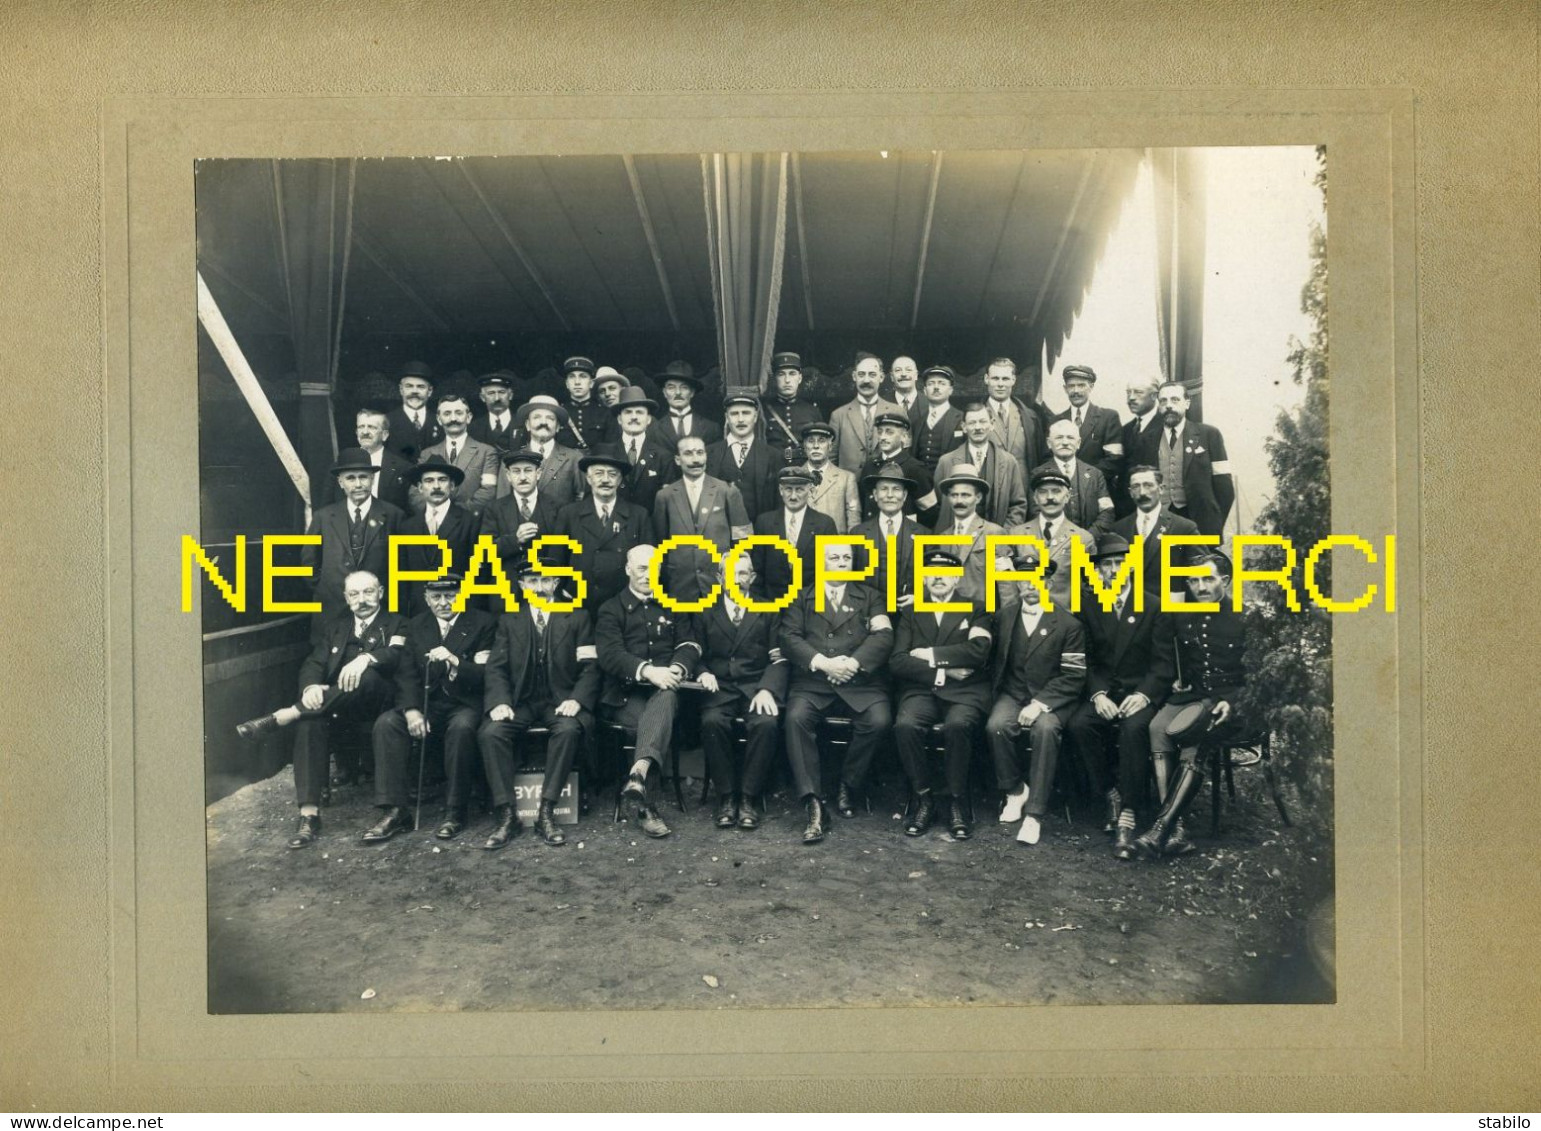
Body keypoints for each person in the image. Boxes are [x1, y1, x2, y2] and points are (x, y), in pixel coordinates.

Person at [235, 571, 406, 849]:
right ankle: (309, 815)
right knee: (309, 722)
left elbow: (397, 655)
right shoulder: (336, 627)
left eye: (368, 592)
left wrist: (366, 658)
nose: (362, 600)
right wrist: (312, 687)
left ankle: (288, 713)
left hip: (379, 705)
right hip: (338, 708)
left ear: (381, 593)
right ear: (346, 598)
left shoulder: (398, 623)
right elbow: (314, 662)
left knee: (369, 677)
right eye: (354, 594)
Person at [1064, 534, 1176, 860]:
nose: (1114, 570)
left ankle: (1128, 810)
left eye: (1119, 563)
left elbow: (1163, 663)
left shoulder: (1153, 604)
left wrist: (1144, 695)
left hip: (1140, 694)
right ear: (1097, 571)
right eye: (1107, 565)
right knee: (1079, 725)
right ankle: (1109, 792)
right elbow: (1085, 658)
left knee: (1133, 730)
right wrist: (1097, 694)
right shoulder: (1089, 605)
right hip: (1106, 693)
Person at [478, 561, 601, 849]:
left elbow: (591, 667)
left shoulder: (578, 617)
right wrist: (499, 702)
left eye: (545, 581)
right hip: (521, 701)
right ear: (521, 585)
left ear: (556, 582)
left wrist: (576, 699)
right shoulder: (510, 620)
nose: (539, 588)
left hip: (560, 701)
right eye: (532, 581)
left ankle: (546, 811)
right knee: (490, 733)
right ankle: (507, 815)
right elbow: (495, 668)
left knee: (569, 730)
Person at [364, 574, 495, 843]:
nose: (444, 603)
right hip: (427, 703)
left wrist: (455, 661)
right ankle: (395, 810)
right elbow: (406, 674)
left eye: (451, 596)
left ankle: (455, 810)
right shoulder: (415, 626)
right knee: (388, 724)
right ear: (426, 599)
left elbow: (487, 674)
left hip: (464, 703)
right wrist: (412, 710)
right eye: (436, 597)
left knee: (462, 728)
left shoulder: (483, 623)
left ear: (464, 595)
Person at [1135, 549, 1248, 858]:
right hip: (1193, 696)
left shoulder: (1245, 616)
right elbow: (1169, 657)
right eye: (1194, 581)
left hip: (1233, 704)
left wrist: (1231, 701)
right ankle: (1179, 828)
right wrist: (1174, 677)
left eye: (1208, 580)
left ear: (1225, 580)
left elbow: (1258, 674)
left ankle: (1162, 829)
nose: (1200, 587)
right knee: (1157, 727)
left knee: (1193, 740)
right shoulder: (1180, 614)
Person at [779, 541, 895, 842]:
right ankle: (813, 802)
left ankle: (849, 784)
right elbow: (788, 637)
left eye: (846, 557)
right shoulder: (802, 597)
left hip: (859, 680)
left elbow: (884, 636)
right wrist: (823, 663)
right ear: (821, 562)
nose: (842, 562)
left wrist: (854, 663)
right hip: (815, 681)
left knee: (879, 719)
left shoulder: (870, 596)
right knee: (796, 719)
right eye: (834, 557)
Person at [596, 545, 703, 839]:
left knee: (665, 700)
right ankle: (646, 803)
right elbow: (610, 654)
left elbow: (689, 644)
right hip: (624, 695)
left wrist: (678, 668)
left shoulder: (673, 604)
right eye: (641, 568)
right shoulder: (610, 609)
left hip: (665, 694)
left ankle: (639, 780)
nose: (647, 574)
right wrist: (648, 670)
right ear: (628, 570)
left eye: (653, 568)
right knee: (652, 721)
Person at [984, 545, 1087, 846]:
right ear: (1016, 582)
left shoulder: (1069, 624)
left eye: (1038, 580)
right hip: (1014, 692)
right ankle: (1015, 791)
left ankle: (1035, 814)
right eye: (1024, 579)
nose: (1031, 586)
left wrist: (1040, 704)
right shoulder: (1004, 617)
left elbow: (1073, 676)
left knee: (1044, 730)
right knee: (997, 726)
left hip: (1053, 699)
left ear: (1049, 583)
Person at [890, 550, 994, 840]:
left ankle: (956, 800)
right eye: (931, 572)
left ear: (957, 577)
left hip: (966, 692)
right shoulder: (911, 612)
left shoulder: (976, 608)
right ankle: (924, 798)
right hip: (923, 689)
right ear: (923, 577)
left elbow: (978, 652)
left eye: (945, 573)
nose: (938, 577)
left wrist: (929, 653)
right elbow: (898, 661)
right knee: (906, 726)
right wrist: (944, 670)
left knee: (958, 726)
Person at [695, 555, 790, 831]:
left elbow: (780, 658)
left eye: (744, 574)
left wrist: (767, 689)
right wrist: (702, 671)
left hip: (755, 686)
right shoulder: (705, 609)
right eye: (732, 574)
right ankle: (726, 797)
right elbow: (694, 651)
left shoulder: (768, 609)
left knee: (766, 723)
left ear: (753, 578)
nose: (738, 580)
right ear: (719, 577)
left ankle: (748, 797)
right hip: (719, 688)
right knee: (712, 722)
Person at [300, 447, 405, 629]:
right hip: (333, 611)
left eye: (363, 477)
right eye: (350, 478)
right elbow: (309, 562)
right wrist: (329, 589)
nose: (358, 484)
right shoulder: (323, 517)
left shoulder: (394, 515)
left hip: (380, 611)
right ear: (340, 482)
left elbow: (402, 567)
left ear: (372, 479)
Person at [652, 434, 752, 602]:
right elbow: (660, 542)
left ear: (706, 455)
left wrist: (735, 571)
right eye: (688, 453)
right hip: (681, 582)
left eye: (700, 452)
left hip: (719, 580)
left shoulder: (727, 491)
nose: (696, 459)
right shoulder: (665, 496)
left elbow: (743, 539)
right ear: (678, 459)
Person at [554, 444, 654, 610]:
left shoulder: (638, 515)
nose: (606, 480)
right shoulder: (569, 514)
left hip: (624, 607)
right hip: (579, 605)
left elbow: (650, 564)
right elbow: (557, 561)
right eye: (599, 473)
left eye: (612, 474)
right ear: (588, 479)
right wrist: (563, 595)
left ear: (620, 480)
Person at [396, 456, 483, 616]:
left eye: (442, 480)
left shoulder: (470, 521)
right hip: (419, 613)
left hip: (458, 609)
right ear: (420, 487)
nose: (436, 486)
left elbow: (478, 574)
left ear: (452, 486)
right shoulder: (407, 526)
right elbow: (402, 577)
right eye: (429, 481)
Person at [1006, 469, 1096, 611]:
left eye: (1056, 491)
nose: (1049, 497)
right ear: (1035, 498)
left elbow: (1088, 588)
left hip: (1064, 620)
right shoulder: (1016, 534)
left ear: (1067, 497)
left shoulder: (1083, 538)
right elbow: (1008, 583)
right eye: (1043, 492)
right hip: (1024, 618)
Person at [1154, 381, 1235, 537]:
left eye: (1175, 400)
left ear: (1187, 403)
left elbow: (1225, 488)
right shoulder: (1148, 439)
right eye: (1163, 401)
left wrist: (1213, 525)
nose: (1169, 405)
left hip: (1199, 525)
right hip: (1161, 523)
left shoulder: (1209, 435)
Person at [1111, 464, 1201, 603]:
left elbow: (1200, 573)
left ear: (1161, 489)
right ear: (1130, 492)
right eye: (1136, 487)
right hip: (1131, 612)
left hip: (1169, 612)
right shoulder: (1118, 530)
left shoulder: (1184, 528)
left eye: (1148, 485)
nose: (1142, 492)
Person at [934, 400, 1029, 527]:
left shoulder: (1008, 462)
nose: (978, 427)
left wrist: (1003, 536)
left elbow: (1018, 505)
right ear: (964, 427)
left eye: (983, 422)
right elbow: (940, 503)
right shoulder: (947, 462)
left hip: (997, 539)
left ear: (992, 424)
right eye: (972, 423)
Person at [752, 464, 837, 604]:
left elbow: (830, 572)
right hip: (772, 604)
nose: (793, 496)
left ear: (810, 490)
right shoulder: (764, 523)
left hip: (811, 604)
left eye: (799, 490)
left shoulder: (824, 524)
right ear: (780, 490)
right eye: (788, 489)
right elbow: (757, 570)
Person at [479, 447, 565, 583]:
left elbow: (564, 552)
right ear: (508, 476)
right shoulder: (494, 509)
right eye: (516, 472)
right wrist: (515, 540)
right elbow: (484, 552)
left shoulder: (557, 507)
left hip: (544, 589)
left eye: (528, 470)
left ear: (538, 473)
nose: (523, 477)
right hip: (506, 590)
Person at [930, 462, 1008, 607]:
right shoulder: (943, 538)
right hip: (951, 617)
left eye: (965, 495)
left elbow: (1006, 584)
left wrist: (1007, 622)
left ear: (978, 498)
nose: (959, 501)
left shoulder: (994, 533)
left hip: (983, 616)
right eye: (954, 495)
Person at [852, 462, 924, 612]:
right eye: (884, 489)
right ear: (875, 494)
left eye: (896, 489)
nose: (890, 495)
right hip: (868, 614)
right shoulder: (858, 534)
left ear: (904, 496)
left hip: (909, 615)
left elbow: (933, 578)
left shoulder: (923, 534)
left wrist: (920, 596)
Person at [413, 393, 500, 514]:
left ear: (468, 417)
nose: (453, 419)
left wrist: (456, 514)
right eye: (447, 414)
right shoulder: (427, 454)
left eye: (458, 413)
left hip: (471, 522)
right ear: (439, 419)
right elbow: (415, 492)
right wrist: (436, 512)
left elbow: (489, 490)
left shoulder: (486, 452)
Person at [1032, 419, 1114, 537]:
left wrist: (1087, 538)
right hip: (1054, 547)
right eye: (1059, 437)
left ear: (1078, 443)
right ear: (1049, 443)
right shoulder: (1037, 474)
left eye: (1070, 438)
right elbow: (1036, 512)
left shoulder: (1095, 474)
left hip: (1089, 546)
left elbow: (1107, 512)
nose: (1065, 442)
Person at [706, 392, 780, 522]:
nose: (740, 419)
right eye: (734, 414)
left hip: (759, 535)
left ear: (755, 416)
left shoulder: (773, 455)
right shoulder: (709, 454)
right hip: (720, 534)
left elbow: (779, 502)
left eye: (746, 413)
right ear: (727, 418)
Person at [854, 410, 938, 523]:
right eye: (880, 432)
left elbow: (930, 512)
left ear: (904, 437)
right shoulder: (870, 466)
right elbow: (864, 505)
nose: (882, 437)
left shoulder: (915, 469)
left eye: (889, 432)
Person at [324, 407, 411, 512]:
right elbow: (326, 510)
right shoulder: (337, 467)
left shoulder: (402, 468)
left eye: (372, 427)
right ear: (356, 433)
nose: (365, 432)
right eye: (361, 427)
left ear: (384, 435)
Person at [981, 356, 1050, 488]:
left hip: (1023, 490)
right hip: (988, 490)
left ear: (1013, 380)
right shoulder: (974, 417)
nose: (1000, 384)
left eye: (1005, 379)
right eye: (995, 378)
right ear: (986, 379)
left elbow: (1041, 457)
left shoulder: (1031, 417)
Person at [1051, 364, 1124, 485]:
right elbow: (1048, 457)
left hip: (1097, 490)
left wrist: (1082, 478)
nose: (1076, 391)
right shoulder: (1055, 421)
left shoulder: (1108, 418)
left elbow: (1114, 459)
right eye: (1071, 386)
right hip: (1063, 488)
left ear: (1091, 387)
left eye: (1081, 385)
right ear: (1065, 389)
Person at [608, 384, 675, 513]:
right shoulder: (607, 453)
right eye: (628, 412)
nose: (634, 417)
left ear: (648, 419)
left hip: (650, 528)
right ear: (619, 419)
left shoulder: (663, 456)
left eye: (639, 412)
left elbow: (668, 502)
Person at [830, 352, 900, 472]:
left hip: (886, 486)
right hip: (851, 487)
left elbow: (904, 456)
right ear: (854, 376)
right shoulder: (838, 415)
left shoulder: (897, 412)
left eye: (872, 375)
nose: (866, 380)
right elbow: (831, 460)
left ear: (881, 377)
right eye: (861, 374)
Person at [512, 395, 584, 508]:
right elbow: (503, 505)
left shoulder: (574, 458)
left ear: (557, 427)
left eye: (550, 418)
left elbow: (581, 500)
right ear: (527, 425)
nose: (543, 422)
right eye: (537, 417)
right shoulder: (511, 459)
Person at [1115, 376, 1164, 516]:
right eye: (1128, 392)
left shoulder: (1166, 426)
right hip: (1129, 509)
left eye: (1138, 392)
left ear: (1154, 395)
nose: (1131, 398)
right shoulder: (1126, 430)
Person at [800, 420, 861, 533]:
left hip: (834, 547)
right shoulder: (795, 477)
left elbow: (854, 521)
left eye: (821, 441)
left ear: (830, 446)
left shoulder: (846, 478)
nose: (816, 446)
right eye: (810, 441)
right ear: (804, 446)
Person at [647, 360, 721, 450]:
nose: (678, 393)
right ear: (664, 392)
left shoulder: (711, 429)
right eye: (671, 387)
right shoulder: (653, 431)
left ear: (692, 392)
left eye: (684, 387)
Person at [760, 351, 823, 454]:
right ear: (775, 379)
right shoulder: (763, 410)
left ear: (800, 378)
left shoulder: (812, 411)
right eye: (781, 374)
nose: (787, 380)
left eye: (792, 374)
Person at [384, 360, 443, 461]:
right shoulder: (387, 421)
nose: (414, 391)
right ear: (401, 390)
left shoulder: (441, 421)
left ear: (430, 391)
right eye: (409, 386)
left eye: (421, 387)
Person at [912, 365, 965, 471]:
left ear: (950, 390)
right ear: (925, 390)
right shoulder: (918, 422)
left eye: (942, 383)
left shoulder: (962, 419)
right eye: (931, 383)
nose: (936, 387)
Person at [558, 355, 616, 450]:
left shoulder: (605, 413)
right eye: (572, 377)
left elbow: (611, 448)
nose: (577, 382)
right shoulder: (559, 412)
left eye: (583, 376)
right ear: (567, 384)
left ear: (591, 383)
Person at [469, 369, 520, 454]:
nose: (497, 398)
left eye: (501, 392)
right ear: (482, 397)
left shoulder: (523, 424)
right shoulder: (473, 428)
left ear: (510, 395)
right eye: (491, 393)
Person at [887, 354, 923, 423]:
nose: (903, 374)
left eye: (908, 370)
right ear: (891, 377)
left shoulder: (929, 405)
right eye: (898, 370)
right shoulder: (881, 404)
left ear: (916, 375)